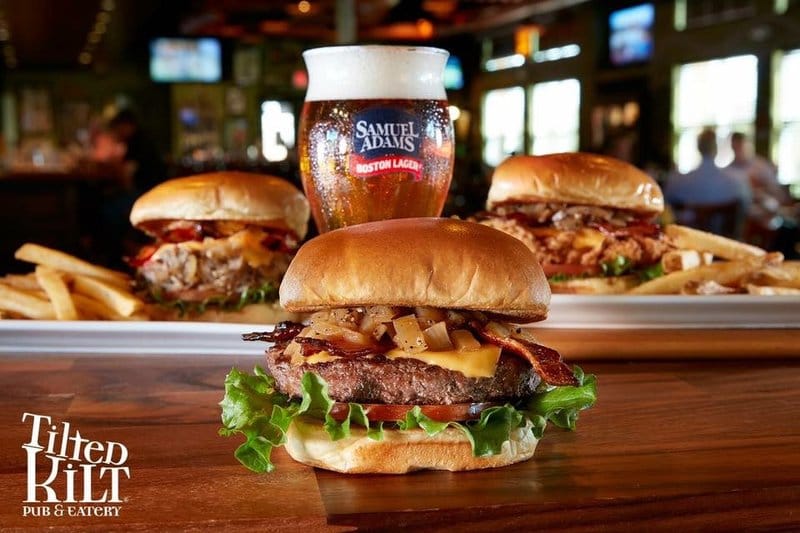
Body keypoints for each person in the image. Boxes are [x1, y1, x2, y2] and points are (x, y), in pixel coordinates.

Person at [665, 129, 751, 238]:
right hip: (725, 247)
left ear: (698, 148)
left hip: (687, 244)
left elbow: (666, 204)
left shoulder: (676, 181)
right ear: (716, 149)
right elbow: (746, 209)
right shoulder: (737, 181)